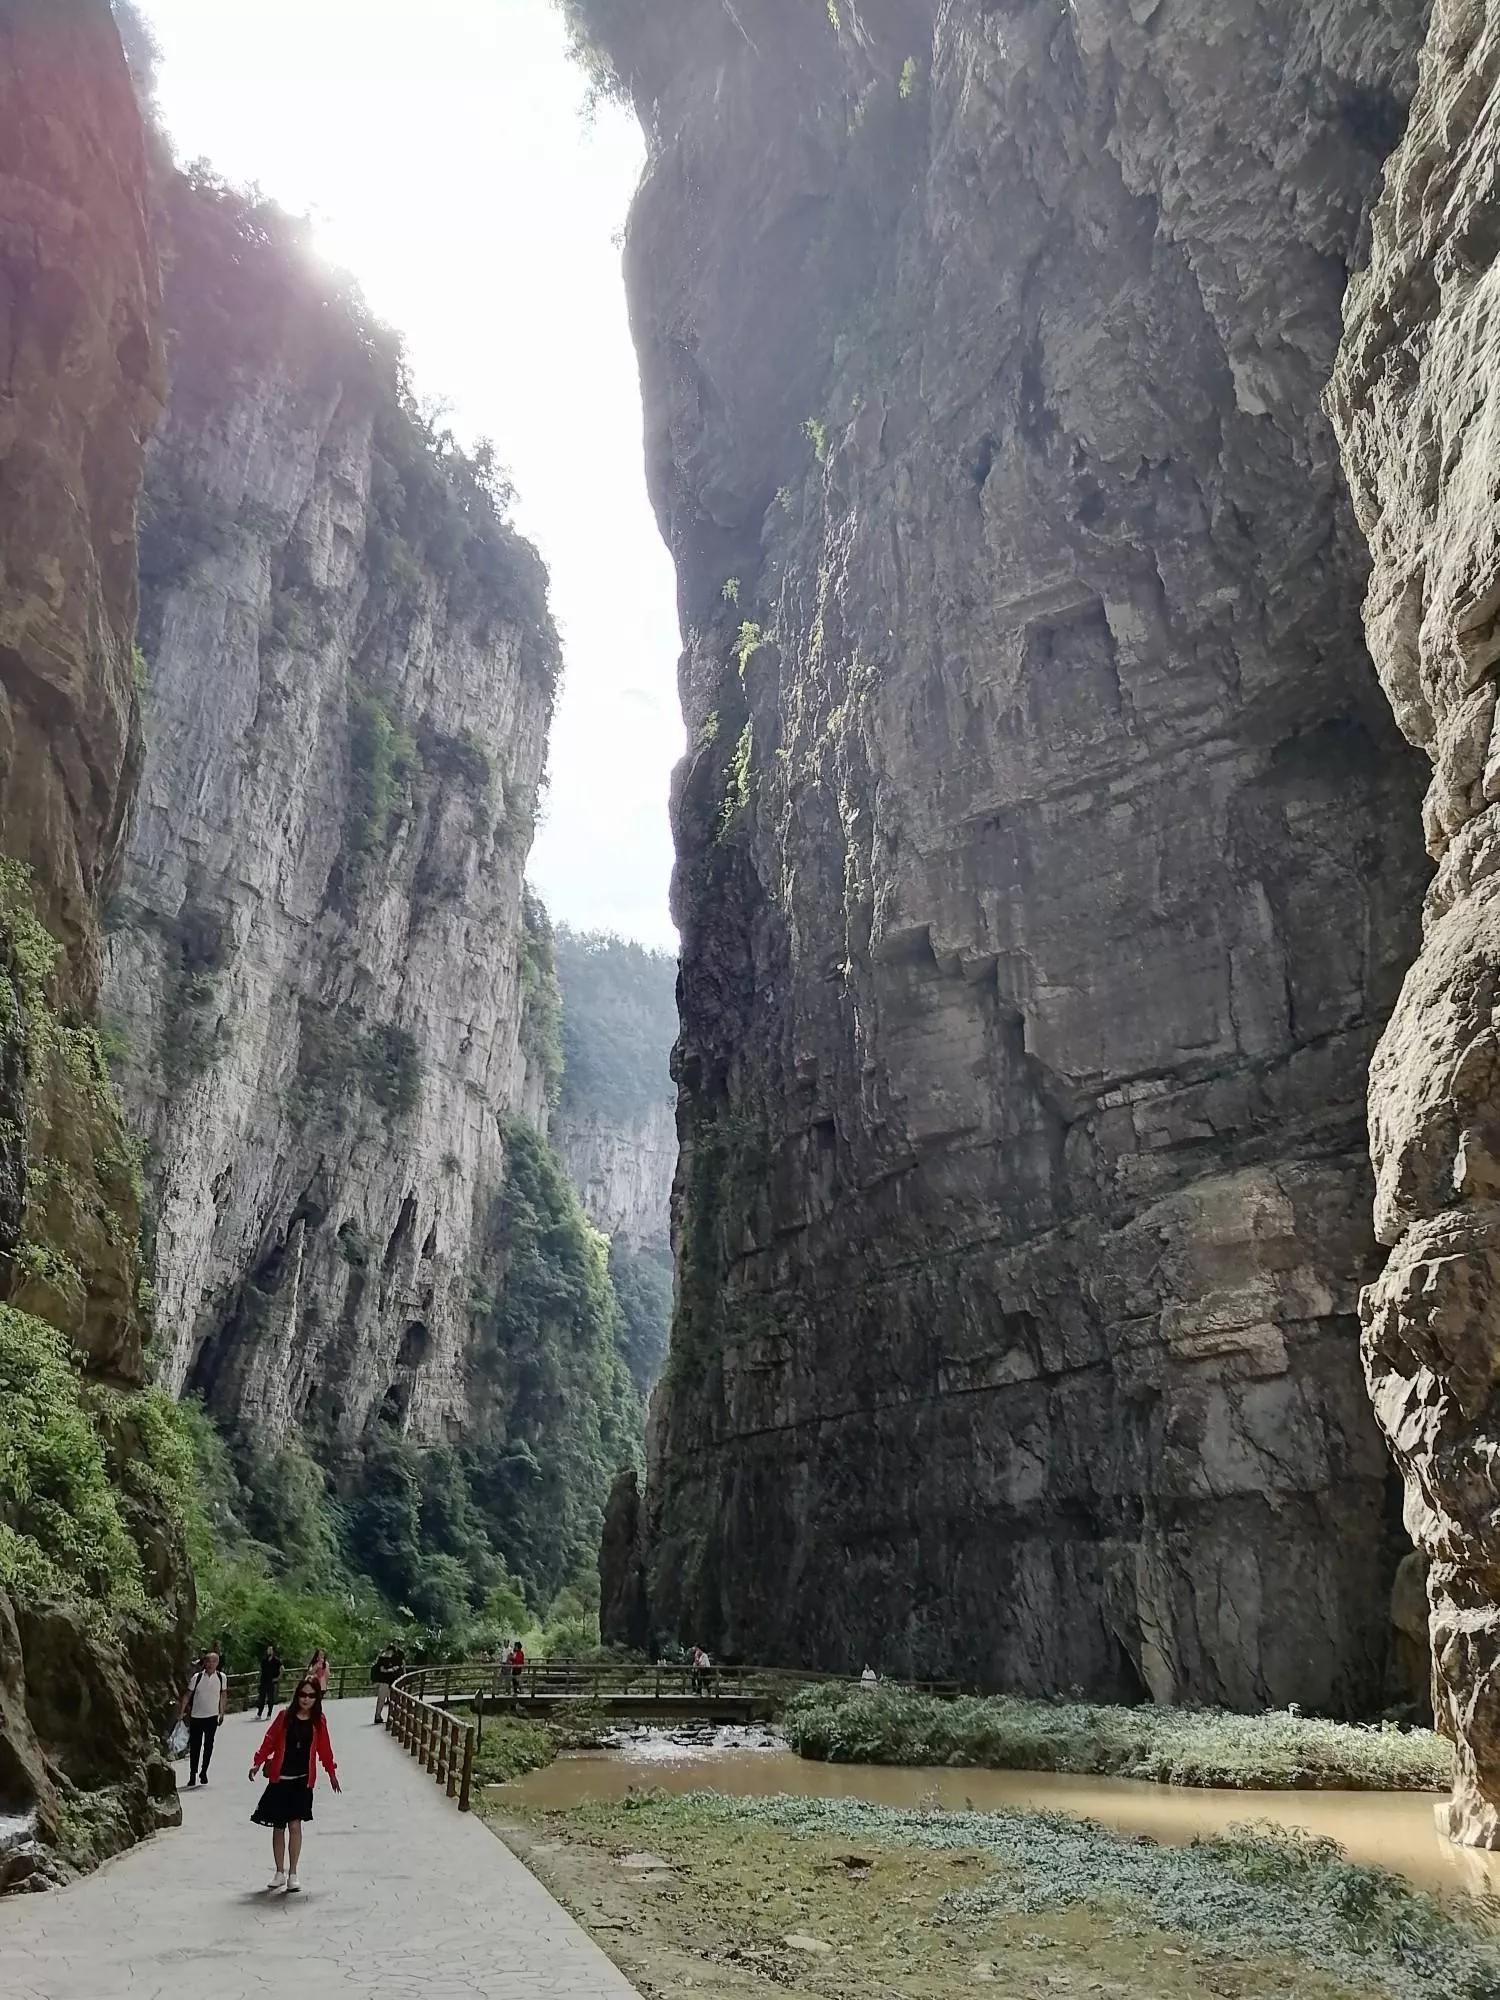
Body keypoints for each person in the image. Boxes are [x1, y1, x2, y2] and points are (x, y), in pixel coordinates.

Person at [249, 1675, 340, 1895]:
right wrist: (258, 1762)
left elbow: (324, 1749)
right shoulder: (284, 1717)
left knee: (295, 1826)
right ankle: (279, 1872)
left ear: (317, 1698)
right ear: (297, 1695)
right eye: (302, 1694)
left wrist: (331, 1772)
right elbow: (269, 1740)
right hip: (281, 1780)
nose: (306, 1699)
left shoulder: (319, 1722)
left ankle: (293, 1873)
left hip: (301, 1781)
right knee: (278, 1827)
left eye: (311, 1695)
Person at [179, 1647, 227, 1787]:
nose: (211, 1664)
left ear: (217, 1663)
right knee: (195, 1746)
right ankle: (192, 1774)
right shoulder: (197, 1677)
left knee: (208, 1745)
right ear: (205, 1663)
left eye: (214, 1661)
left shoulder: (221, 1677)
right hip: (197, 1716)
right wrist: (181, 1711)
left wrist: (222, 1712)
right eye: (208, 1661)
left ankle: (204, 1772)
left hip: (212, 1716)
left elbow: (223, 1695)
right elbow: (188, 1694)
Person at [370, 1640, 405, 1725]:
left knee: (392, 1699)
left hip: (388, 1682)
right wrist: (391, 1669)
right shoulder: (384, 1658)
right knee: (383, 1699)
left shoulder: (389, 1658)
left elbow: (400, 1666)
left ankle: (386, 1716)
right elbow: (382, 1669)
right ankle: (379, 1716)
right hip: (385, 1681)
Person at [256, 1643, 282, 1720]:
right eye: (268, 1650)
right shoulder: (264, 1660)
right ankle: (259, 1713)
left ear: (273, 1651)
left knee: (270, 1698)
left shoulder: (276, 1660)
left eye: (270, 1650)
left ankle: (269, 1714)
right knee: (262, 1698)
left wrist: (278, 1678)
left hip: (271, 1681)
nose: (269, 1651)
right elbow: (261, 1670)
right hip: (264, 1680)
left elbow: (282, 1669)